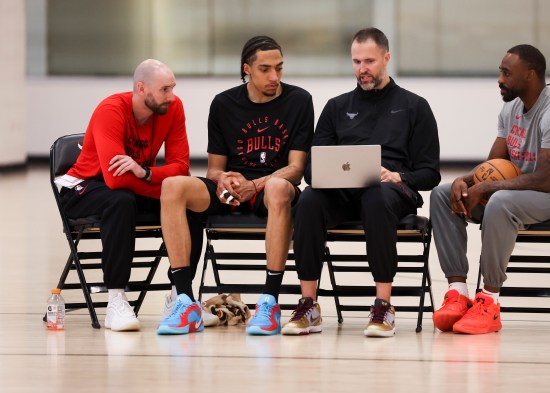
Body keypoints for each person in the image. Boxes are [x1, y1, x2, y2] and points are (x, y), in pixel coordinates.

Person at [430, 44, 550, 335]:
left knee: (501, 202)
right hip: (526, 193)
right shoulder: (510, 108)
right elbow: (494, 163)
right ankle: (458, 294)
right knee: (443, 194)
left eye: (506, 73)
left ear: (530, 75)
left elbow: (545, 179)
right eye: (500, 72)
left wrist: (488, 187)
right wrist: (467, 181)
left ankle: (489, 303)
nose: (499, 79)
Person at [283, 27, 440, 338]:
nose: (362, 69)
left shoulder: (414, 106)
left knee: (376, 196)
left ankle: (383, 305)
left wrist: (399, 176)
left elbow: (430, 173)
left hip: (390, 192)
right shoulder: (337, 107)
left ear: (386, 58)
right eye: (356, 62)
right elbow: (313, 167)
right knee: (309, 200)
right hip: (342, 193)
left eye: (369, 61)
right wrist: (328, 176)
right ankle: (309, 304)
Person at [158, 35, 314, 335]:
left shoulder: (299, 100)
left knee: (278, 188)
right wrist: (223, 180)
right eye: (265, 69)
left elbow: (296, 169)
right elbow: (215, 168)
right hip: (233, 188)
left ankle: (269, 302)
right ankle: (185, 301)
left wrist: (254, 185)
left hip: (270, 188)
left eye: (279, 68)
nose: (274, 77)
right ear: (247, 69)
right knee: (172, 186)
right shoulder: (224, 103)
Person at [55, 59, 191, 332]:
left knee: (185, 197)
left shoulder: (172, 109)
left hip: (133, 181)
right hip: (84, 186)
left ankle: (180, 295)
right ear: (141, 88)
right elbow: (115, 179)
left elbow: (182, 166)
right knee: (122, 200)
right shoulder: (111, 110)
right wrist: (162, 185)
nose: (172, 96)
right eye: (165, 89)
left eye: (173, 88)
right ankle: (116, 299)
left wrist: (148, 174)